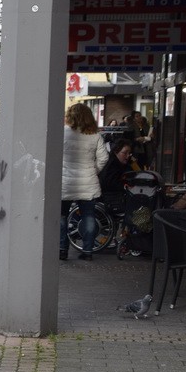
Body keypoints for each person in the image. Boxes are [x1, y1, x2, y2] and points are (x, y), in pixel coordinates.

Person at [60, 102, 108, 261]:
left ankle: (62, 250)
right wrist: (93, 171)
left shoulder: (62, 134)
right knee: (88, 216)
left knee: (61, 216)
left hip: (65, 183)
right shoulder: (95, 135)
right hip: (87, 182)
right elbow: (104, 158)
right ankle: (87, 251)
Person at [97, 138, 138, 211]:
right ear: (116, 152)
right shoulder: (111, 164)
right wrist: (124, 186)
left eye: (129, 153)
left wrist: (133, 163)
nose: (128, 156)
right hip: (110, 198)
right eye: (125, 153)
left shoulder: (122, 163)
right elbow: (110, 182)